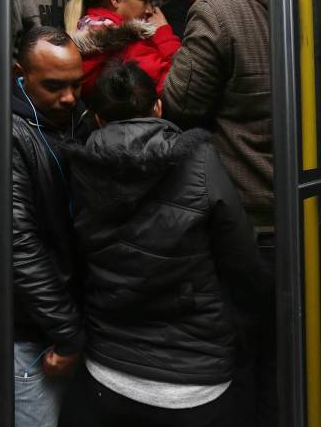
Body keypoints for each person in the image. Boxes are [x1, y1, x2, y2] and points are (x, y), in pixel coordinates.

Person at [58, 60, 267, 427]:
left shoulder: (80, 167)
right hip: (195, 383)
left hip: (107, 373)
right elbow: (243, 262)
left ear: (100, 120)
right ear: (157, 106)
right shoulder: (199, 161)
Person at [160, 0, 275, 426]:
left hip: (246, 215)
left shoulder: (218, 8)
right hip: (303, 205)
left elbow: (181, 103)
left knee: (241, 348)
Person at [12, 26, 91, 427]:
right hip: (33, 332)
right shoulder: (10, 134)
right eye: (54, 86)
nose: (69, 97)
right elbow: (19, 244)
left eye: (77, 85)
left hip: (69, 315)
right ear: (19, 74)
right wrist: (66, 331)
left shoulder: (75, 118)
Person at [63, 0, 179, 99]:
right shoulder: (128, 44)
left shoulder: (85, 30)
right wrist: (164, 34)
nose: (149, 10)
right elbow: (178, 88)